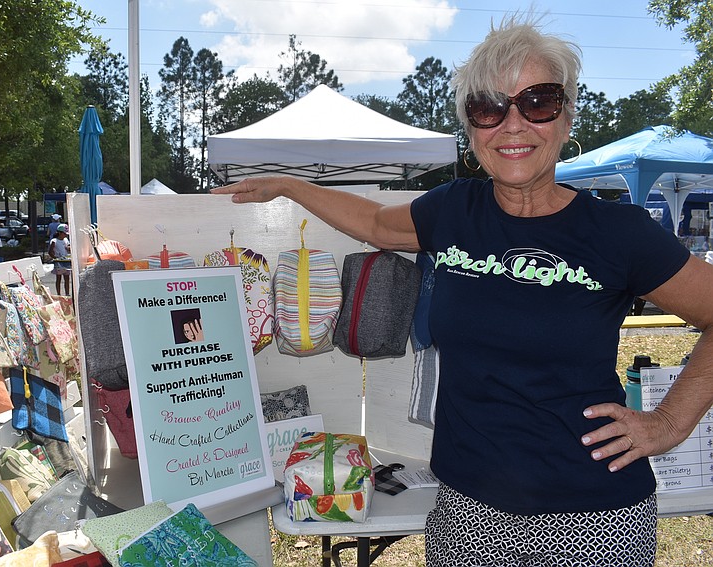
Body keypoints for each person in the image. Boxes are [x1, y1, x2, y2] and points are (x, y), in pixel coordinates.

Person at [212, 15, 713, 567]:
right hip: (468, 508)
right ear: (472, 132)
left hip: (595, 515)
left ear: (567, 118)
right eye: (489, 108)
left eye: (538, 101)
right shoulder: (456, 209)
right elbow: (377, 225)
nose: (513, 124)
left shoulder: (619, 233)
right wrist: (291, 186)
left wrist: (669, 423)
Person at [48, 223, 71, 295]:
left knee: (67, 278)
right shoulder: (54, 241)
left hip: (66, 261)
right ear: (59, 233)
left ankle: (67, 293)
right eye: (64, 233)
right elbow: (50, 252)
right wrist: (55, 258)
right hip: (58, 262)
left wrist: (68, 248)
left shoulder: (66, 240)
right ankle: (58, 294)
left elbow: (68, 248)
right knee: (59, 278)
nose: (65, 235)